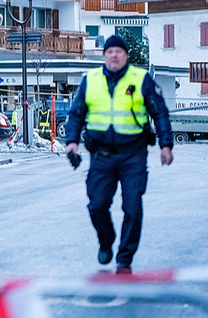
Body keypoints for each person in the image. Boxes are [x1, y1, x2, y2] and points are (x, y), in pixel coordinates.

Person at [65, 35, 173, 274]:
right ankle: (106, 240)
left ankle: (124, 259)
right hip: (101, 156)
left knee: (133, 208)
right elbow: (76, 114)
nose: (114, 55)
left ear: (126, 55)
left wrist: (166, 145)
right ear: (104, 56)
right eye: (110, 51)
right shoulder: (91, 80)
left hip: (133, 155)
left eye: (118, 51)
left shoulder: (141, 79)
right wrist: (71, 142)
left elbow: (160, 113)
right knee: (97, 205)